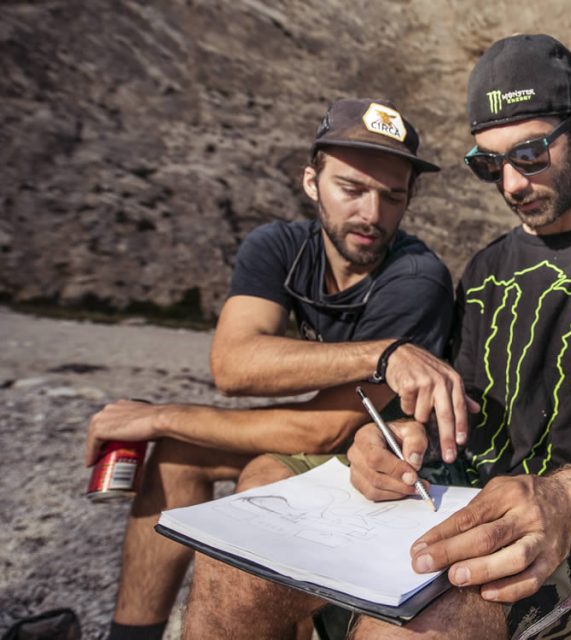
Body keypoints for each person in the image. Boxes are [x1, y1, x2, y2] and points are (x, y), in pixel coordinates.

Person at [181, 33, 571, 640]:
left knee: (409, 628)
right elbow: (445, 413)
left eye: (529, 154)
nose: (511, 184)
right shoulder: (484, 268)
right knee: (240, 549)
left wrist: (565, 498)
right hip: (454, 494)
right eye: (489, 165)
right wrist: (388, 440)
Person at [85, 98, 474, 640]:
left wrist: (160, 416)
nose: (372, 214)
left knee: (248, 473)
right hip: (335, 439)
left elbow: (324, 431)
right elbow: (234, 365)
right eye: (351, 188)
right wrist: (379, 353)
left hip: (392, 459)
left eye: (393, 196)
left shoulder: (416, 278)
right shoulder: (278, 247)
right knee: (176, 456)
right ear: (312, 182)